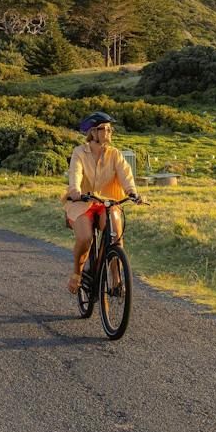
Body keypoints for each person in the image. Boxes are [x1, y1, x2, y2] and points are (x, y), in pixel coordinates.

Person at [64, 111, 143, 294]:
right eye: (104, 129)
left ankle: (116, 280)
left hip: (107, 203)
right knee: (85, 238)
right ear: (93, 132)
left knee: (116, 237)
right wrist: (75, 190)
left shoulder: (115, 154)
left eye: (110, 129)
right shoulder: (79, 152)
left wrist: (132, 192)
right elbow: (75, 173)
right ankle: (77, 274)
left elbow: (125, 174)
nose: (108, 132)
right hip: (82, 202)